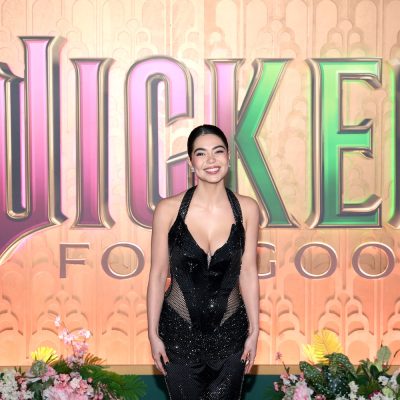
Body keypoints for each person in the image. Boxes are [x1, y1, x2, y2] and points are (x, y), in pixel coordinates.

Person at [147, 124, 260, 399]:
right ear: (191, 162)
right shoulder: (168, 210)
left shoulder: (248, 209)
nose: (211, 160)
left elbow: (248, 272)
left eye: (218, 151)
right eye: (201, 153)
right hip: (178, 335)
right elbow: (158, 274)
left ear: (229, 157)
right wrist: (152, 334)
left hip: (231, 335)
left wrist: (255, 330)